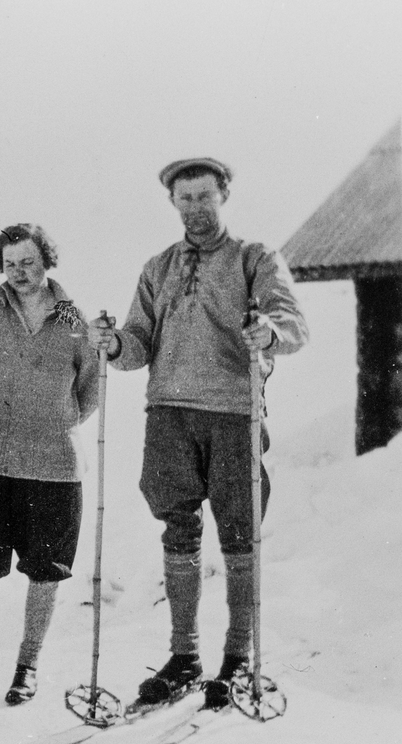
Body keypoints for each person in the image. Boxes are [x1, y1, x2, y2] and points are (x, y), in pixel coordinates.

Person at [87, 158, 308, 707]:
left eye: (205, 197)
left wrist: (268, 331)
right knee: (177, 530)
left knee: (239, 535)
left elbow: (293, 326)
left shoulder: (254, 258)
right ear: (173, 204)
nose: (195, 209)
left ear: (224, 194)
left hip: (233, 413)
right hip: (168, 415)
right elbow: (138, 342)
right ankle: (184, 657)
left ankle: (238, 659)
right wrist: (114, 345)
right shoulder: (157, 268)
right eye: (185, 200)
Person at [0, 224, 99, 711]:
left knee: (44, 569)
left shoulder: (74, 319)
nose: (20, 273)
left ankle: (27, 667)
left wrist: (49, 423)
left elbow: (90, 390)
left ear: (47, 260)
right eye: (10, 265)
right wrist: (0, 426)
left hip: (54, 466)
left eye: (28, 262)